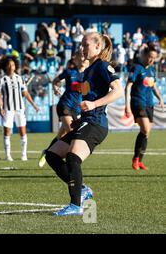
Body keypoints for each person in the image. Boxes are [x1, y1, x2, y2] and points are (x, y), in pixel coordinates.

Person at [45, 32, 123, 216]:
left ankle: (76, 205)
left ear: (98, 47)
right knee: (52, 155)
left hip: (96, 124)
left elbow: (118, 91)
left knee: (73, 157)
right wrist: (80, 117)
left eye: (85, 45)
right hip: (86, 121)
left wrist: (94, 104)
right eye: (81, 44)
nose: (82, 48)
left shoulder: (103, 66)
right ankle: (83, 189)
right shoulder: (88, 70)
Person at [38, 53, 89, 168]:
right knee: (72, 133)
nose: (83, 59)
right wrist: (56, 89)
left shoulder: (89, 75)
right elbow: (55, 81)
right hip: (64, 105)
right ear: (76, 60)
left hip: (77, 109)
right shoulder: (69, 72)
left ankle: (47, 152)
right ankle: (70, 163)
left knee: (62, 136)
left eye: (84, 58)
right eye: (80, 57)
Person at [125, 43, 164, 170]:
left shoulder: (151, 70)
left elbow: (153, 87)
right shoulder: (136, 68)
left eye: (154, 58)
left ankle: (138, 160)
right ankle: (136, 159)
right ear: (145, 55)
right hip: (137, 102)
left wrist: (160, 99)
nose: (152, 60)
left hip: (149, 104)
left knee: (146, 133)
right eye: (150, 57)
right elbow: (128, 87)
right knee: (146, 129)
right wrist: (127, 105)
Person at [0, 57, 40, 161]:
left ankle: (24, 155)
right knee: (7, 131)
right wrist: (1, 108)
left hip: (20, 109)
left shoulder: (20, 78)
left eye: (13, 65)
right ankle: (8, 155)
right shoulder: (2, 80)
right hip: (8, 109)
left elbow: (25, 92)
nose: (11, 67)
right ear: (5, 66)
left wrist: (34, 105)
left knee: (22, 131)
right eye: (9, 65)